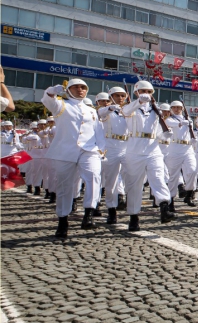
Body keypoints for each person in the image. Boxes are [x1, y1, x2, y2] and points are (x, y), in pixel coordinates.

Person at [41, 79, 105, 237]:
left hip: (89, 150)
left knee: (94, 176)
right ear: (68, 90)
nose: (80, 90)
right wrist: (53, 90)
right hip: (65, 151)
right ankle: (63, 219)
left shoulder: (91, 110)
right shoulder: (61, 105)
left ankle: (88, 213)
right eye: (75, 87)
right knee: (64, 186)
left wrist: (101, 150)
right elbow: (48, 99)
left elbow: (98, 130)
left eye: (83, 87)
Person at [121, 81, 171, 231]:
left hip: (152, 148)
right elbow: (125, 111)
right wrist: (139, 101)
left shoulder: (156, 110)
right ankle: (133, 216)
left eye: (149, 91)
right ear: (136, 92)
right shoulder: (130, 107)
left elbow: (156, 131)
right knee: (135, 184)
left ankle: (164, 206)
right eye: (142, 91)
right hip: (134, 148)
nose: (145, 93)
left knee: (158, 176)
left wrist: (165, 135)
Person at [96, 87, 130, 223]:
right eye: (117, 96)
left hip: (127, 146)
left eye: (122, 96)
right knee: (111, 181)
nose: (120, 98)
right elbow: (101, 112)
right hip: (110, 146)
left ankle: (130, 205)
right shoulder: (106, 110)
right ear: (111, 97)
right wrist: (111, 108)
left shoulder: (128, 111)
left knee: (133, 177)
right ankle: (111, 209)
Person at [164, 101, 198, 212]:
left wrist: (193, 138)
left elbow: (191, 132)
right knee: (173, 176)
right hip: (175, 147)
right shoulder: (169, 119)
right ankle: (171, 200)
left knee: (193, 171)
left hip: (188, 148)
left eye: (179, 107)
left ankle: (189, 193)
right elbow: (170, 124)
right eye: (174, 107)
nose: (177, 109)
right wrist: (181, 123)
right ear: (171, 109)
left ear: (182, 109)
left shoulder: (188, 120)